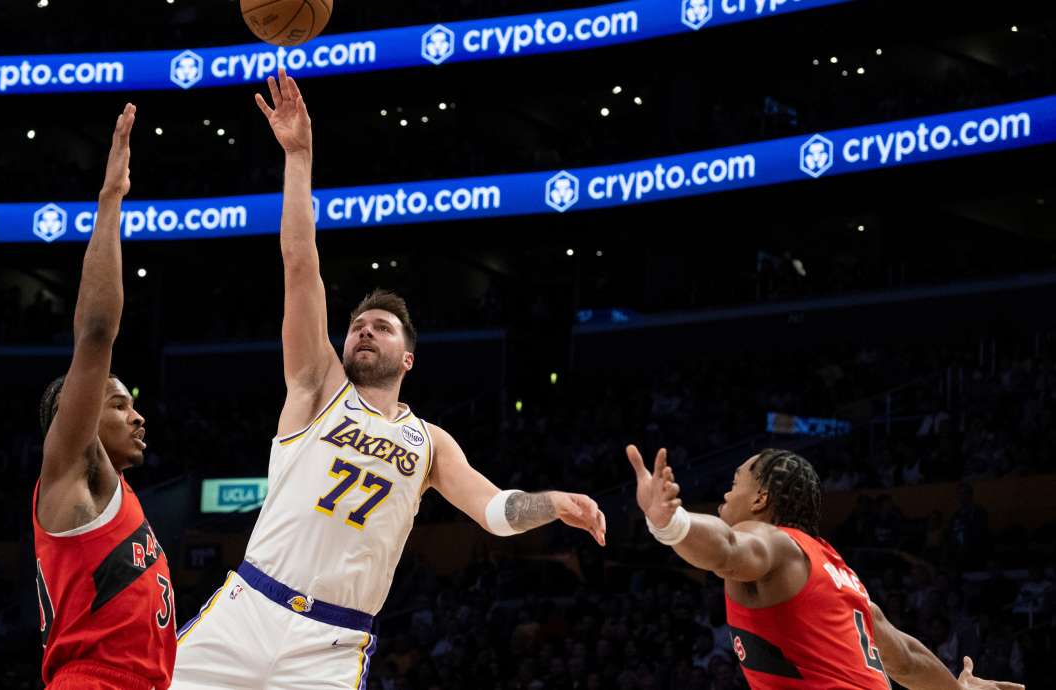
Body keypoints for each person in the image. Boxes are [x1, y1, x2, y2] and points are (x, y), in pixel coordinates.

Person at [171, 69, 606, 689]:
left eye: (382, 327)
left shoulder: (429, 443)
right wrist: (298, 157)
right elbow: (300, 264)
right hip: (248, 609)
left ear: (408, 359)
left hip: (333, 643)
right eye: (357, 325)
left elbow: (494, 510)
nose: (365, 332)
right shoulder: (317, 386)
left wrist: (553, 503)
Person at [624, 445, 1024, 690]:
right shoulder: (837, 570)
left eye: (735, 481)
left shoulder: (772, 542)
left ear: (761, 497)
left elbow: (727, 549)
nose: (726, 492)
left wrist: (671, 523)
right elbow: (903, 657)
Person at [32, 104, 176, 690]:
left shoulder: (116, 495)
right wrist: (111, 197)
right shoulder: (69, 473)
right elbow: (95, 335)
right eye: (118, 404)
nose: (137, 415)